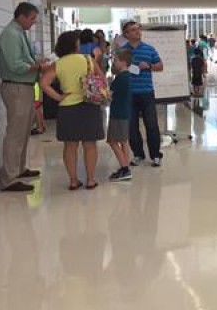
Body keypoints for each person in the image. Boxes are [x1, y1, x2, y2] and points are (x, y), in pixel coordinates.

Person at [40, 31, 105, 190]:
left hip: (68, 107)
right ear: (75, 44)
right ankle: (90, 179)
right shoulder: (88, 59)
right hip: (89, 105)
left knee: (70, 145)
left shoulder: (59, 63)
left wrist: (59, 97)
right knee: (90, 144)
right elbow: (102, 79)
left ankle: (73, 180)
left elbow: (44, 83)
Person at [0, 2, 48, 192]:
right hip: (16, 87)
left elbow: (24, 60)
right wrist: (38, 66)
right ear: (21, 16)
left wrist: (38, 63)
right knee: (15, 134)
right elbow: (15, 65)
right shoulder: (10, 34)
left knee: (24, 131)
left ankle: (19, 169)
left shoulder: (19, 33)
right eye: (32, 18)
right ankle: (9, 178)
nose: (34, 22)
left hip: (25, 87)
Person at [122, 21, 164, 167]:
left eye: (138, 29)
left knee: (152, 125)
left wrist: (150, 66)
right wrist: (128, 68)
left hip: (147, 93)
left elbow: (160, 66)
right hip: (129, 94)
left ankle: (156, 155)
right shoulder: (122, 51)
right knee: (132, 127)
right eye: (133, 30)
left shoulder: (149, 49)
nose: (137, 32)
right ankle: (138, 154)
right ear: (126, 34)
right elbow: (115, 70)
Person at [107, 50, 133, 182]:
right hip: (125, 112)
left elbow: (108, 95)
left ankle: (125, 168)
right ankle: (125, 165)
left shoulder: (119, 78)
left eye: (116, 60)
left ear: (123, 62)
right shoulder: (128, 76)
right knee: (123, 141)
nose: (114, 63)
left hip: (117, 114)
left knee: (112, 141)